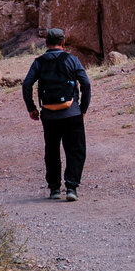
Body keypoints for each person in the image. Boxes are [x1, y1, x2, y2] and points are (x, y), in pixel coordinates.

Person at [21, 26, 92, 200]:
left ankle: (54, 189)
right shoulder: (72, 60)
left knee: (52, 151)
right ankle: (71, 188)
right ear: (63, 42)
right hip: (72, 114)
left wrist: (31, 108)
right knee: (75, 150)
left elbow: (26, 85)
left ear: (46, 43)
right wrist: (82, 109)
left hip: (49, 115)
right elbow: (86, 84)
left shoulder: (39, 62)